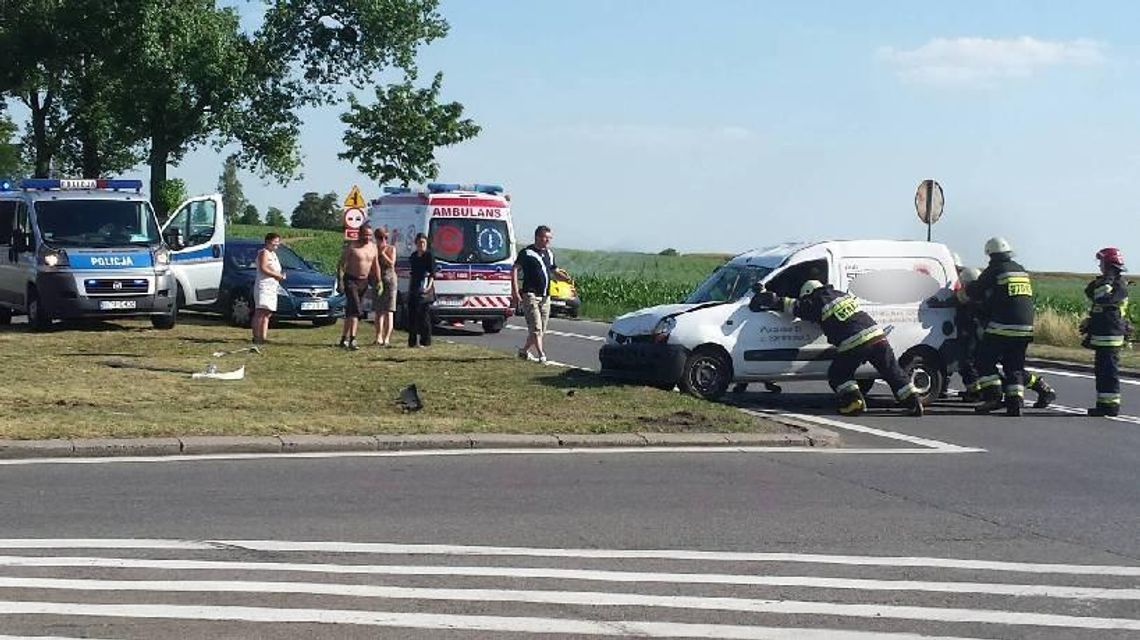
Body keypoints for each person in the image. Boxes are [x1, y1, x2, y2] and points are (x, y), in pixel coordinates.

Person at [752, 280, 923, 417]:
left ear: (808, 294)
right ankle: (913, 401)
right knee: (892, 371)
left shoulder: (817, 301)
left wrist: (769, 299)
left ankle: (853, 402)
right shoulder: (840, 294)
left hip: (854, 341)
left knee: (838, 374)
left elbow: (794, 306)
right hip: (877, 336)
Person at [965, 237, 1054, 416]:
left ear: (991, 254)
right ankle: (1014, 403)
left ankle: (993, 397)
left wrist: (967, 289)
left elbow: (976, 291)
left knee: (983, 361)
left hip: (1002, 326)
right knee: (1014, 366)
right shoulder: (1020, 270)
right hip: (1025, 328)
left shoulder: (995, 270)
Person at [1082, 247, 1130, 417]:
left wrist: (1106, 279)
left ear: (1109, 264)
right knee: (1102, 372)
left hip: (1111, 336)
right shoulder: (1107, 283)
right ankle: (1103, 404)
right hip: (1103, 335)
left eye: (1102, 262)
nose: (1099, 266)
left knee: (1109, 372)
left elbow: (1101, 297)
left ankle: (1111, 406)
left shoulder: (1117, 285)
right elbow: (1090, 292)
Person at [512, 225, 568, 363]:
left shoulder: (549, 253)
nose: (548, 241)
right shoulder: (527, 253)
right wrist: (515, 291)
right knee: (536, 327)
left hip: (545, 296)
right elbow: (514, 270)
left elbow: (554, 270)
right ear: (537, 237)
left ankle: (523, 351)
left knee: (541, 329)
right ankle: (541, 355)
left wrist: (564, 277)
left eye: (550, 238)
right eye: (545, 237)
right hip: (531, 294)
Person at [336, 223, 379, 350]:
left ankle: (344, 338)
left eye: (370, 235)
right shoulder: (352, 247)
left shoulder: (373, 247)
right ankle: (353, 339)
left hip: (364, 281)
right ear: (359, 234)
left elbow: (375, 265)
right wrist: (340, 281)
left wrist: (379, 281)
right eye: (365, 234)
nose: (367, 237)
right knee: (356, 309)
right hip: (351, 280)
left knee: (351, 311)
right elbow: (341, 265)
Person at [954, 266, 984, 402]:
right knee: (974, 362)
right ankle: (976, 390)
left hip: (971, 331)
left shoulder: (972, 292)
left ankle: (975, 392)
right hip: (977, 331)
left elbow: (961, 299)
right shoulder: (983, 291)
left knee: (967, 362)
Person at [252, 232, 286, 345]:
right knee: (260, 311)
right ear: (267, 241)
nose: (277, 244)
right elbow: (263, 268)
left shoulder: (273, 255)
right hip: (264, 286)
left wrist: (280, 275)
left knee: (267, 312)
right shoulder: (264, 253)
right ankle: (256, 336)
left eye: (278, 242)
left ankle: (263, 336)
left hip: (272, 287)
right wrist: (277, 275)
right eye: (274, 241)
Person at [407, 232, 435, 348]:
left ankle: (425, 341)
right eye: (419, 243)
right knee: (412, 315)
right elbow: (412, 273)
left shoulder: (429, 256)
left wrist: (428, 288)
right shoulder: (413, 256)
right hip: (414, 286)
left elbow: (432, 274)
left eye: (423, 243)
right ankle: (412, 341)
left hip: (425, 286)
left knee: (424, 316)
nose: (421, 245)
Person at [371, 226, 397, 347]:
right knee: (378, 311)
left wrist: (383, 254)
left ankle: (386, 338)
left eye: (385, 237)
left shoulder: (391, 249)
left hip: (390, 280)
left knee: (389, 311)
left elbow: (392, 264)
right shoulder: (374, 249)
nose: (383, 240)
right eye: (380, 238)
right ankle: (378, 336)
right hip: (378, 281)